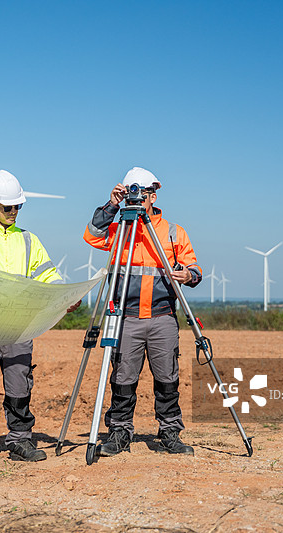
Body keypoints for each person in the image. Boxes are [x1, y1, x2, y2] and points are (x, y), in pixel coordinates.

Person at [0, 169, 79, 467]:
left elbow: (47, 274)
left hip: (19, 328)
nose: (13, 212)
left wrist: (63, 297)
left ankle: (20, 440)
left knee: (20, 387)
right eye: (8, 207)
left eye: (18, 206)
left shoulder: (29, 240)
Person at [83, 167, 202, 456]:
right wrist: (112, 205)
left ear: (153, 195)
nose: (136, 200)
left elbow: (195, 268)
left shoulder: (173, 232)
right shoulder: (119, 228)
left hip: (162, 316)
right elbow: (92, 234)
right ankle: (119, 432)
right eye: (131, 194)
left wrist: (189, 276)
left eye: (141, 194)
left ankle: (170, 432)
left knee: (167, 379)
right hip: (126, 317)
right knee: (123, 378)